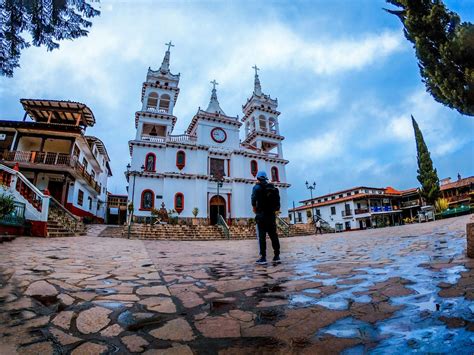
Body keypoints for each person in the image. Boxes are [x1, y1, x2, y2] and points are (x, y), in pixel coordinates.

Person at [251, 171, 280, 264]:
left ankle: (263, 257)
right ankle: (277, 255)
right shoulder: (272, 188)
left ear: (258, 178)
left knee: (262, 237)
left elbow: (253, 200)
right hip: (271, 215)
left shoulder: (256, 187)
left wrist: (255, 209)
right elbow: (277, 205)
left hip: (261, 215)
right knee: (273, 235)